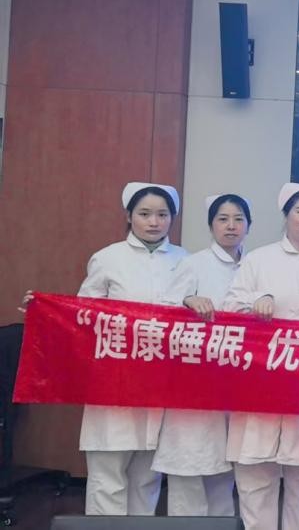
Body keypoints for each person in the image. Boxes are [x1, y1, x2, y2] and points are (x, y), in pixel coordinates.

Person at [223, 182, 299, 530]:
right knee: (256, 473)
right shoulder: (259, 259)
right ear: (286, 215)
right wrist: (256, 301)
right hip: (261, 380)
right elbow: (230, 305)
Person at [75, 182, 187, 515]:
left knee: (147, 476)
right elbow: (82, 314)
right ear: (129, 216)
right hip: (115, 378)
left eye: (162, 215)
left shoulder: (186, 260)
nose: (154, 222)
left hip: (163, 378)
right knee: (108, 472)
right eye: (145, 214)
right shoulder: (108, 258)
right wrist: (43, 310)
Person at [155, 193, 252, 517]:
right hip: (194, 380)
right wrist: (187, 301)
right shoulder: (193, 263)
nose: (231, 226)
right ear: (211, 225)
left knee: (224, 472)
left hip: (238, 380)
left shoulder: (254, 266)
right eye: (223, 219)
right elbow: (163, 312)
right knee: (188, 466)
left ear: (249, 225)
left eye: (238, 219)